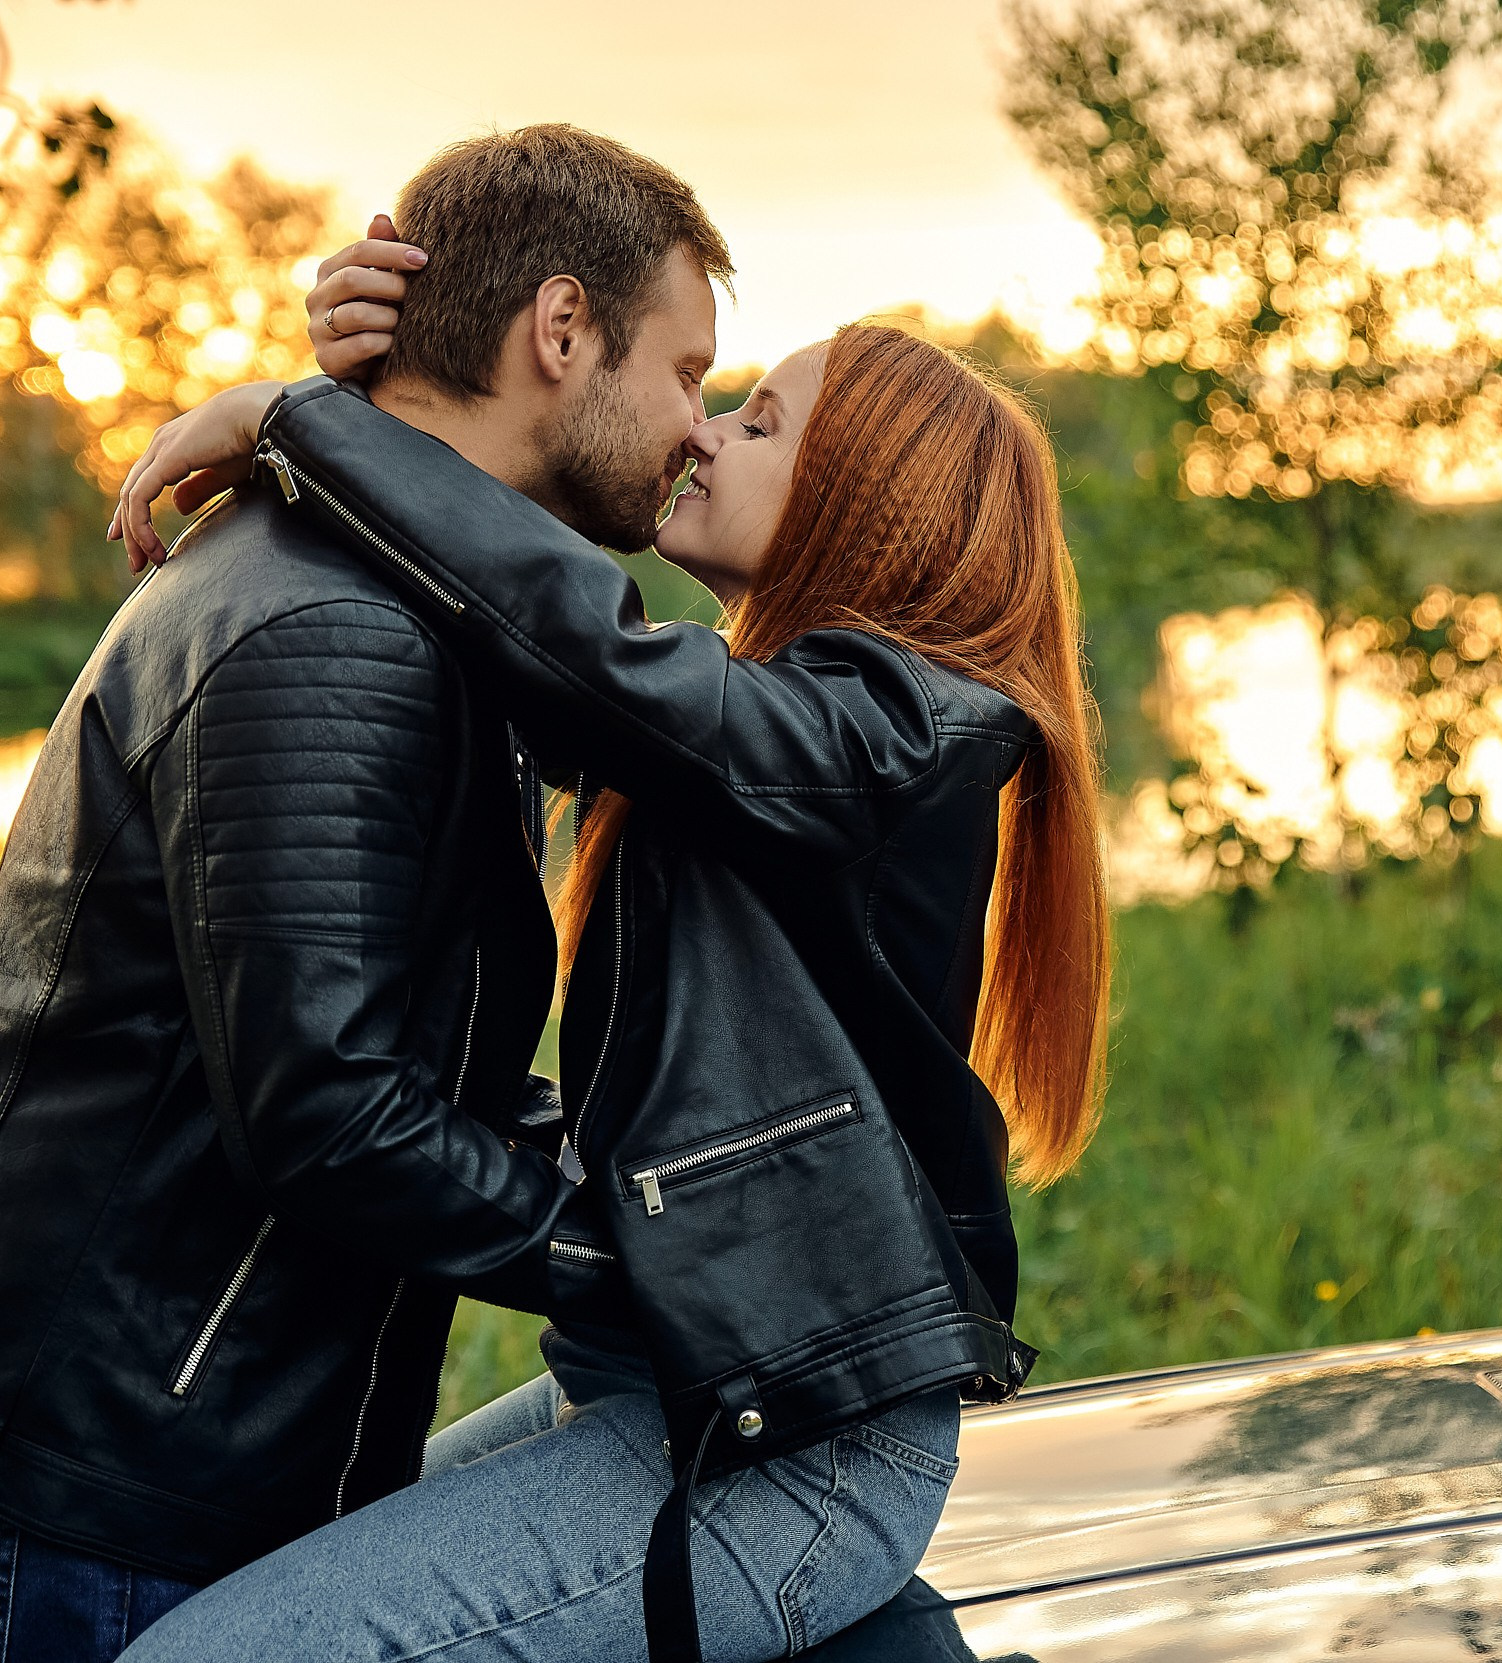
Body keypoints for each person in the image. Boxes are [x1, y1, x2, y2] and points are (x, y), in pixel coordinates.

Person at [102, 227, 1111, 1658]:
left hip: (793, 1459)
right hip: (677, 1395)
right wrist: (418, 376)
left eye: (757, 420)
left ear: (867, 497)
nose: (700, 434)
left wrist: (296, 420)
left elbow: (578, 646)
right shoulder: (793, 734)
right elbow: (513, 604)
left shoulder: (894, 737)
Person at [0, 125, 732, 1663]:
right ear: (562, 332)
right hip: (107, 1470)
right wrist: (667, 1267)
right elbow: (331, 1111)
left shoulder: (403, 598)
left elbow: (396, 1055)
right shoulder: (333, 633)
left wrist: (677, 1176)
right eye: (690, 372)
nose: (698, 426)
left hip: (173, 1427)